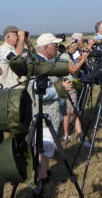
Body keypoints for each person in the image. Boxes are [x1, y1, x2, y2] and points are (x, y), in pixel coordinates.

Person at [32, 33, 72, 188]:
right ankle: (42, 181)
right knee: (43, 146)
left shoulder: (45, 62)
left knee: (46, 148)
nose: (57, 48)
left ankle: (46, 173)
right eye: (54, 45)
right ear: (45, 47)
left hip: (49, 112)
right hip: (43, 113)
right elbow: (38, 92)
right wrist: (61, 88)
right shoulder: (38, 65)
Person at [62, 39, 90, 142]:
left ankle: (79, 133)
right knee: (70, 111)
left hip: (71, 85)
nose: (77, 50)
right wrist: (84, 59)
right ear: (70, 47)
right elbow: (73, 70)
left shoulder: (67, 56)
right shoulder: (65, 57)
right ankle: (67, 135)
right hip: (69, 86)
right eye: (75, 48)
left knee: (73, 110)